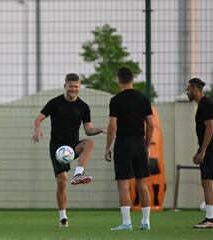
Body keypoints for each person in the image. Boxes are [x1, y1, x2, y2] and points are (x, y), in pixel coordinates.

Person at [31, 73, 105, 227]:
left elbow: (88, 129)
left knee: (89, 143)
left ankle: (78, 174)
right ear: (65, 86)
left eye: (76, 86)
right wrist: (37, 129)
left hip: (74, 146)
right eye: (71, 86)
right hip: (57, 148)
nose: (73, 89)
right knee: (62, 182)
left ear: (79, 87)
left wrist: (101, 129)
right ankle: (63, 217)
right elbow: (39, 118)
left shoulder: (83, 107)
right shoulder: (54, 103)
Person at [105, 67, 154, 231]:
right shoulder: (143, 98)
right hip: (140, 142)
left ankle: (126, 223)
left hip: (123, 143)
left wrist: (107, 147)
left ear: (118, 80)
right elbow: (151, 124)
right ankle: (145, 222)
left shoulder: (116, 100)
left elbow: (112, 125)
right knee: (142, 183)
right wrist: (146, 145)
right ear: (132, 79)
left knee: (123, 185)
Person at [186, 78, 213, 229]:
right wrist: (200, 150)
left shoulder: (205, 104)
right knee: (211, 184)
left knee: (207, 183)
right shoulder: (204, 104)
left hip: (212, 149)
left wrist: (203, 151)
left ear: (195, 89)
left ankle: (209, 219)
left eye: (188, 89)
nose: (187, 92)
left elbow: (210, 128)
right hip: (212, 148)